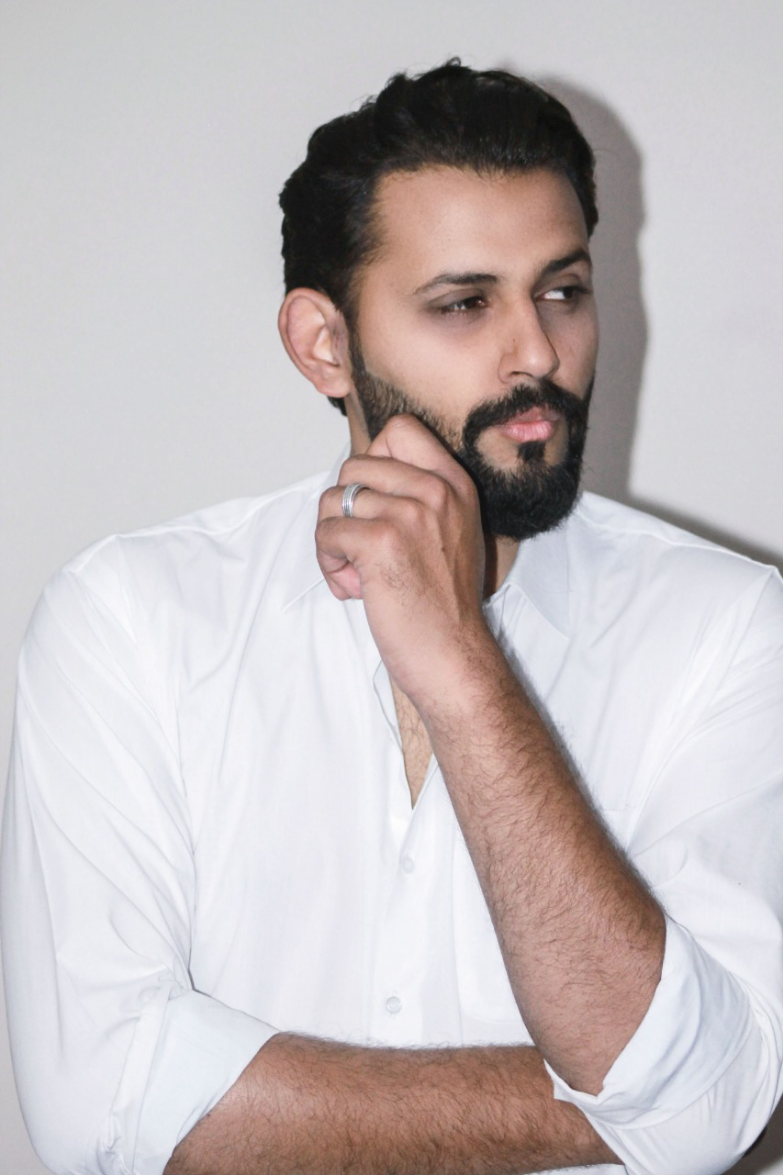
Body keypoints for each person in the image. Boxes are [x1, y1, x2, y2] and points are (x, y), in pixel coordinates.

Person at [2, 60, 782, 1175]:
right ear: (323, 344)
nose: (538, 352)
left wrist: (463, 668)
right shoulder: (130, 624)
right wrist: (628, 1104)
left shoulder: (731, 632)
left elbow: (715, 1119)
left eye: (562, 290)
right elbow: (105, 1115)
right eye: (465, 304)